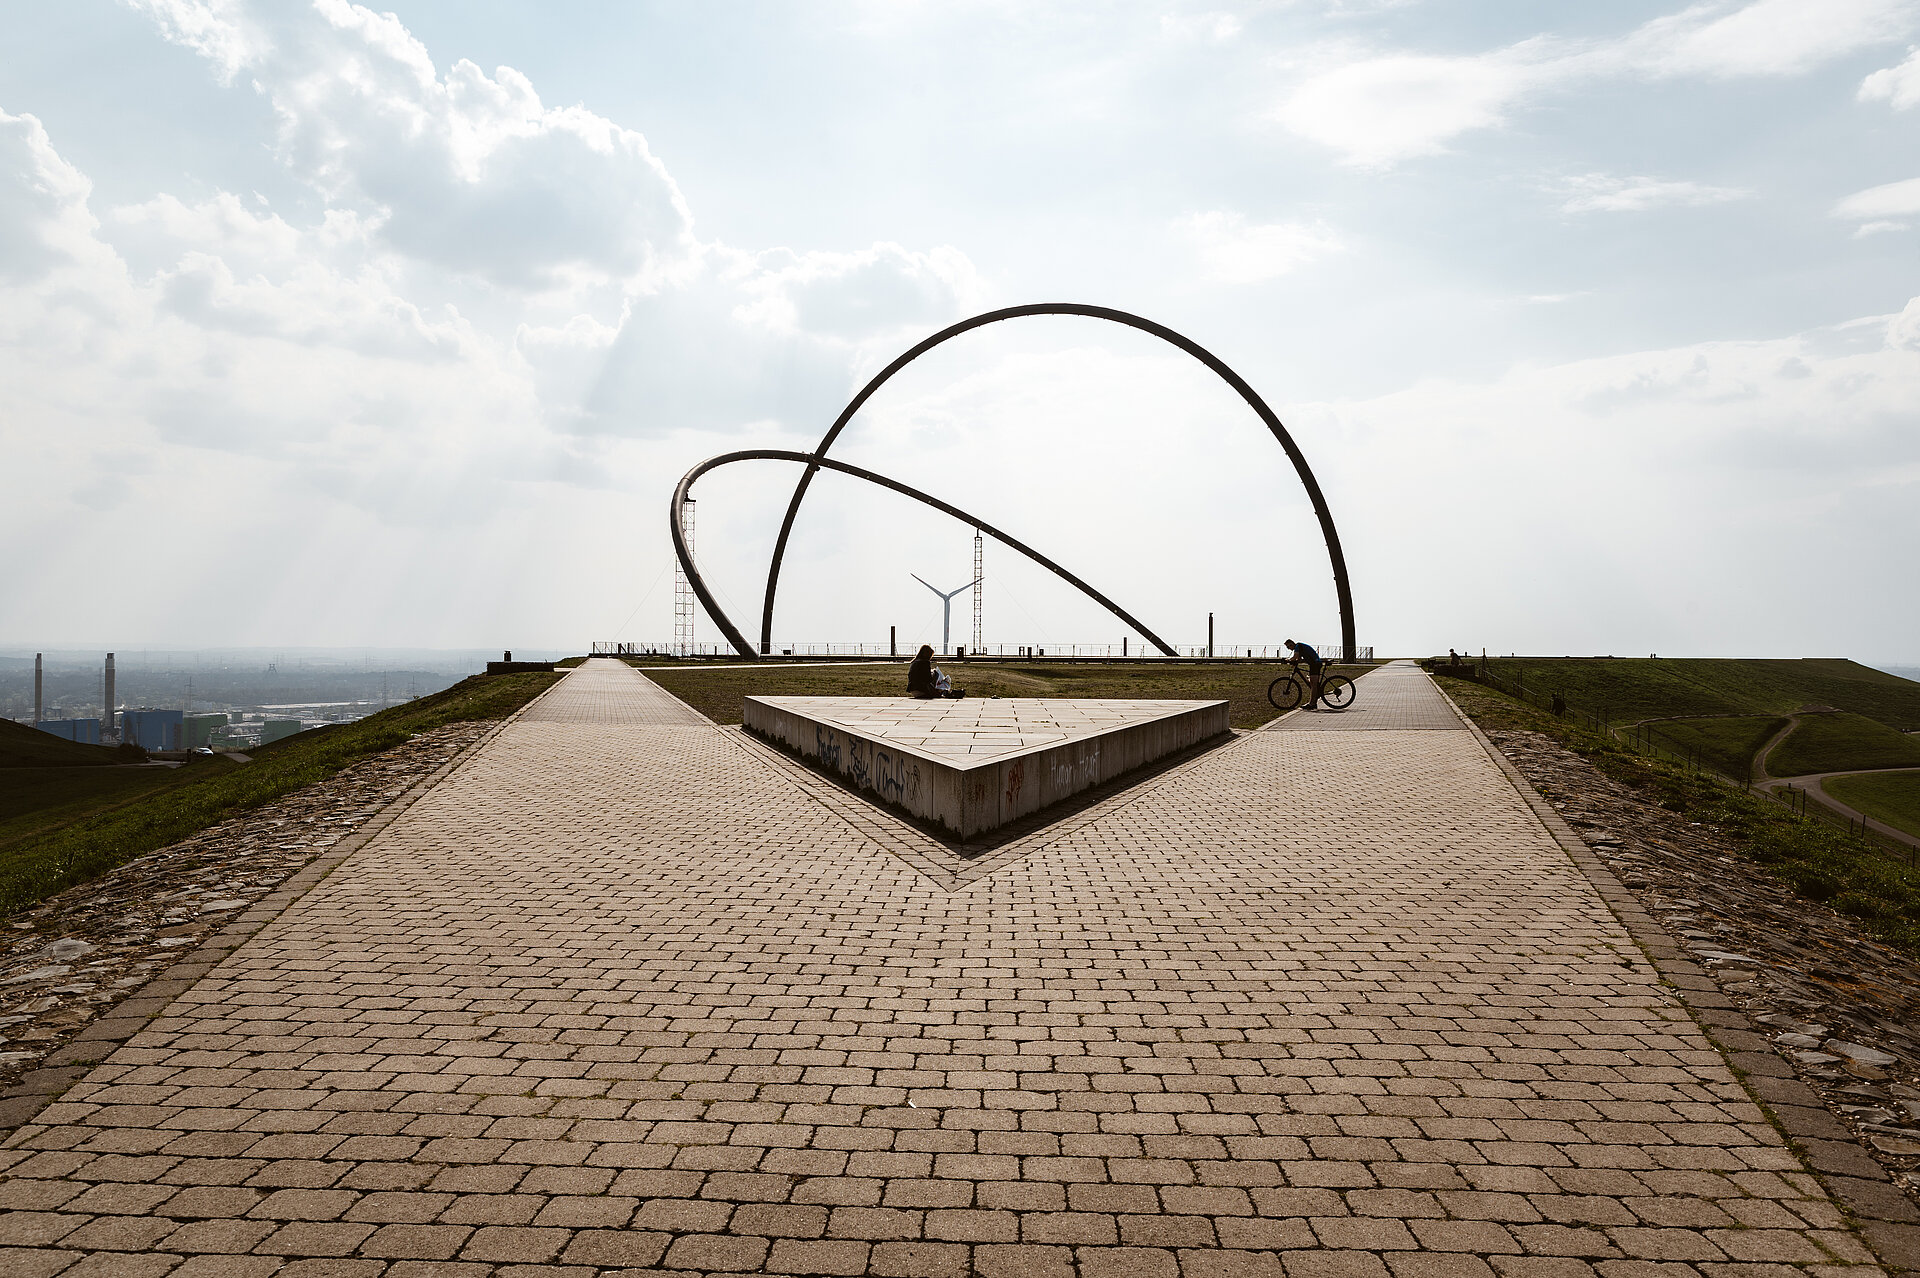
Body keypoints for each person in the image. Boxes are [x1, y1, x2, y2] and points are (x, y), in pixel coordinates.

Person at [1284, 639, 1324, 709]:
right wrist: (1294, 662)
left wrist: (1288, 660)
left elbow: (1295, 657)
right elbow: (1298, 659)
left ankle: (1311, 704)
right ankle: (1314, 701)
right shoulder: (1299, 647)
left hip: (1315, 664)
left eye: (1288, 647)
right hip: (1314, 664)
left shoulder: (1297, 647)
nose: (1288, 649)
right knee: (1312, 683)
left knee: (1313, 685)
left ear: (1291, 644)